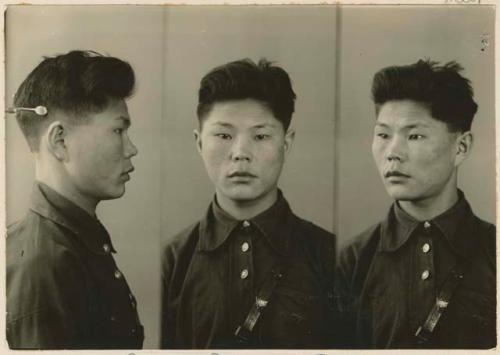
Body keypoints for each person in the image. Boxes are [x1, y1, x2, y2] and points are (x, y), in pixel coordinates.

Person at [160, 58, 337, 349]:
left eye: (261, 136)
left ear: (286, 143)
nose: (241, 153)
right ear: (199, 142)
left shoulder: (328, 256)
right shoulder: (173, 260)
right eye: (224, 135)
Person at [336, 59, 496, 349]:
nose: (393, 153)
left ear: (461, 147)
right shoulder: (353, 261)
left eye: (415, 135)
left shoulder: (493, 253)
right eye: (383, 135)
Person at [6, 50, 143, 349]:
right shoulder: (45, 266)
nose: (131, 149)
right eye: (118, 130)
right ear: (60, 141)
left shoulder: (70, 244)